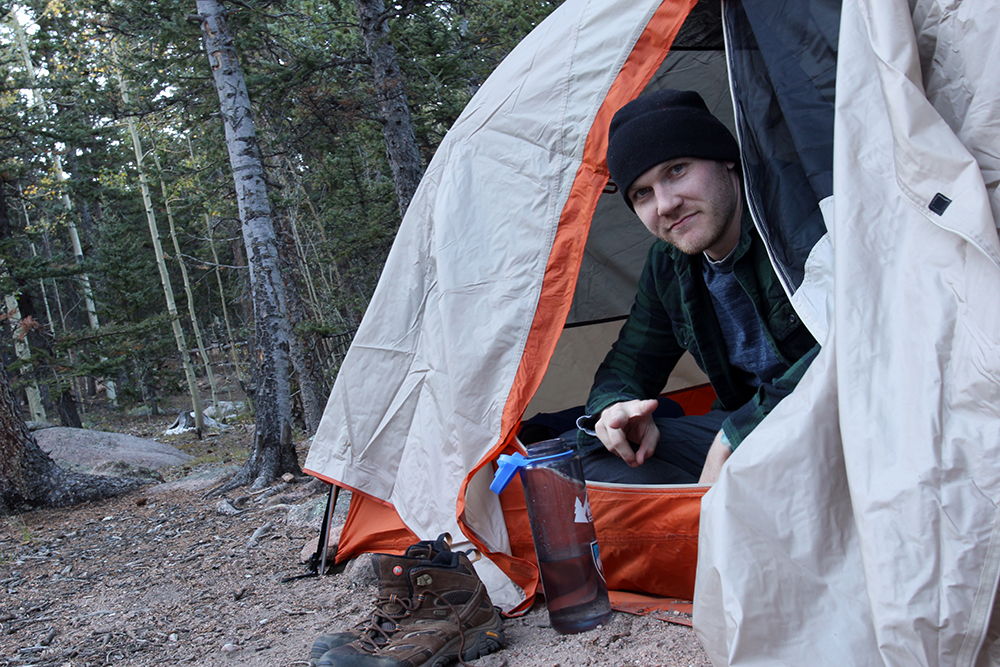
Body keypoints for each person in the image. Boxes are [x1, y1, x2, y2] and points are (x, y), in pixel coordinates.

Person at [574, 89, 819, 485]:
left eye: (676, 170)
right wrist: (617, 410)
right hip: (742, 428)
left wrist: (736, 436)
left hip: (842, 415)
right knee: (584, 458)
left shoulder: (798, 208)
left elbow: (856, 339)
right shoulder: (668, 265)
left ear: (725, 158)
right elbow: (630, 360)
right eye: (643, 193)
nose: (666, 204)